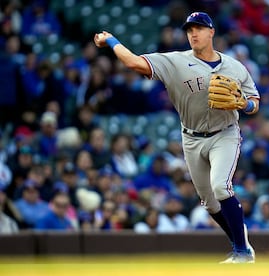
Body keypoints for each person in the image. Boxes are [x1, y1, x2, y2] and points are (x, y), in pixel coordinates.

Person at [94, 11, 259, 263]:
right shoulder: (174, 62)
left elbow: (255, 102)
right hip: (191, 138)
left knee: (220, 187)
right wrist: (113, 41)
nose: (193, 33)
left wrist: (245, 105)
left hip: (224, 134)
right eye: (189, 29)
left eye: (199, 28)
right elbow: (134, 63)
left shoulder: (234, 66)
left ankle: (242, 251)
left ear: (211, 32)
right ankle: (240, 240)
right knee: (209, 203)